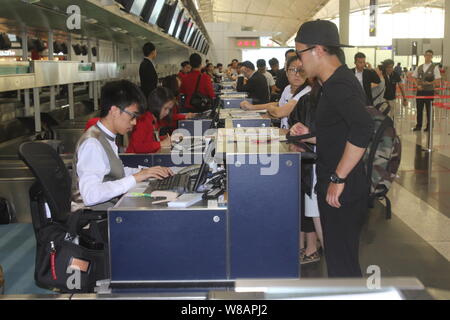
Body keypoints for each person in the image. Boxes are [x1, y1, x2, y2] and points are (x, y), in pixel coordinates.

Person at [292, 20, 374, 278]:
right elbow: (340, 133)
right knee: (341, 262)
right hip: (338, 187)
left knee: (343, 267)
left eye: (299, 53)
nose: (299, 62)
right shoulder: (333, 83)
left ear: (318, 50)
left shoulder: (338, 85)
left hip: (343, 191)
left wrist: (338, 178)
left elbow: (362, 128)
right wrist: (309, 136)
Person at [71, 80, 173, 212]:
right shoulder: (92, 144)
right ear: (114, 111)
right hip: (95, 221)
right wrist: (136, 178)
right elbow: (91, 195)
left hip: (108, 210)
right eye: (132, 116)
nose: (135, 122)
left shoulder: (106, 137)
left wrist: (146, 172)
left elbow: (114, 171)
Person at [241, 56, 311, 130]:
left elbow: (279, 112)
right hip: (284, 132)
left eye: (302, 70)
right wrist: (252, 107)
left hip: (297, 138)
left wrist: (269, 108)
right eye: (293, 70)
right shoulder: (287, 88)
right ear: (286, 72)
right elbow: (278, 104)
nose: (297, 74)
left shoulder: (307, 91)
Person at [126, 87, 175, 154]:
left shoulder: (154, 120)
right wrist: (161, 143)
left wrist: (165, 139)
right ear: (157, 105)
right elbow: (137, 147)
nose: (167, 112)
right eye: (165, 108)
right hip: (135, 160)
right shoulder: (143, 121)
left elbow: (149, 141)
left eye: (169, 109)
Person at [412, 49, 441, 131]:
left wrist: (430, 83)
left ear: (432, 57)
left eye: (430, 55)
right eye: (427, 55)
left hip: (429, 91)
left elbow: (438, 80)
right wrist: (417, 86)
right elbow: (414, 77)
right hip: (420, 91)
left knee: (429, 110)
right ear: (424, 56)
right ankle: (418, 126)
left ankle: (429, 126)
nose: (428, 57)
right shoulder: (419, 67)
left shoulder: (434, 67)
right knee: (419, 109)